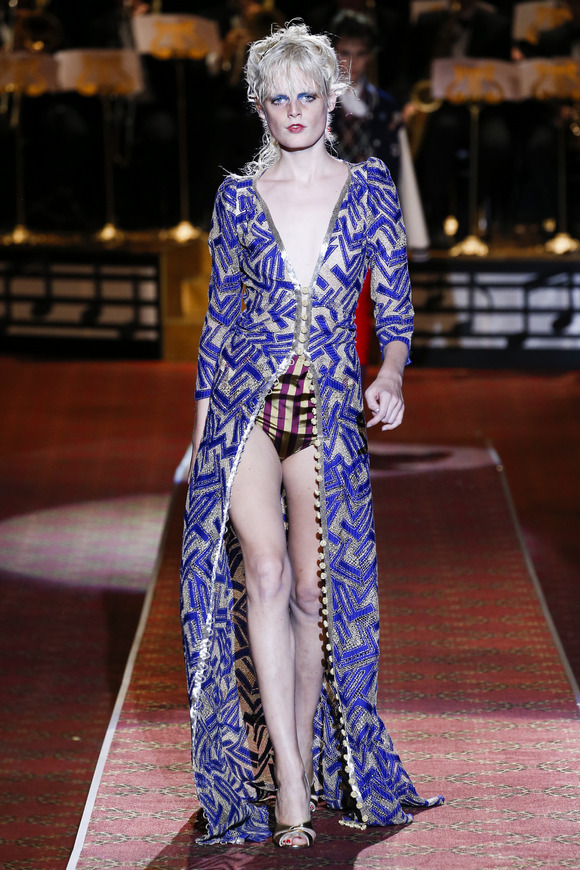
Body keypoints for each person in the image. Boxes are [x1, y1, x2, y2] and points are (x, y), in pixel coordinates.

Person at [180, 20, 444, 848]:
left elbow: (395, 309)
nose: (294, 108)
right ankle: (289, 779)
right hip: (244, 409)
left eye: (307, 94)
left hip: (327, 407)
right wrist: (201, 441)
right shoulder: (237, 199)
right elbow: (218, 325)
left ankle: (306, 749)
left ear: (332, 100)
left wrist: (390, 374)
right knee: (260, 572)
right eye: (278, 96)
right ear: (260, 106)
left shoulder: (368, 190)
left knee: (308, 592)